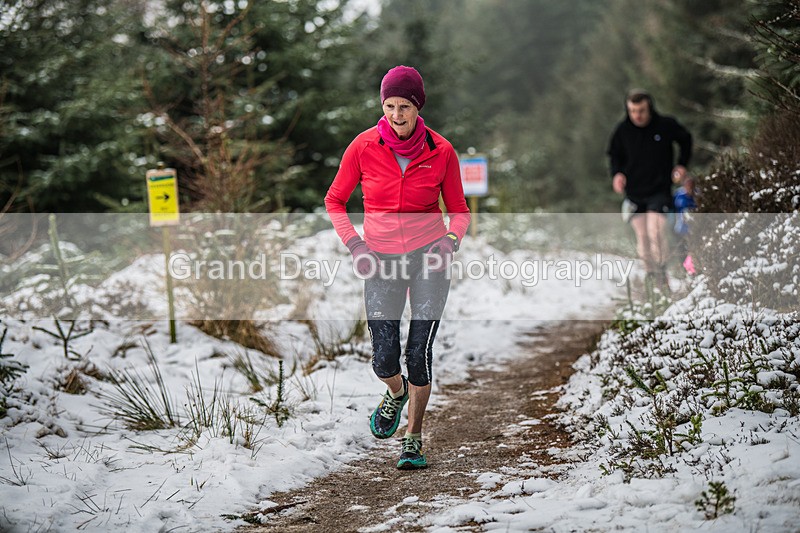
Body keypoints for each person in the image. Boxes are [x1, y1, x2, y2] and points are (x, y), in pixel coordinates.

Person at [324, 65, 471, 469]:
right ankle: (395, 391)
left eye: (404, 106)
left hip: (429, 259)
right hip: (381, 259)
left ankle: (413, 438)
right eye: (389, 105)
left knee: (418, 354)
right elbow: (334, 200)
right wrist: (355, 244)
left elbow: (459, 210)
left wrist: (451, 240)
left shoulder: (441, 150)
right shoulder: (363, 146)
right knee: (384, 359)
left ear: (417, 106)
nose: (395, 114)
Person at [607, 89, 693, 292]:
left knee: (656, 233)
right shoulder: (622, 130)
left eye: (641, 110)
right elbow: (614, 155)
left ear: (650, 108)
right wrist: (617, 174)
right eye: (632, 111)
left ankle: (663, 277)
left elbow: (686, 139)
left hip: (660, 190)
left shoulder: (665, 125)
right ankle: (653, 281)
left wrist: (681, 164)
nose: (637, 115)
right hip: (634, 194)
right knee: (643, 238)